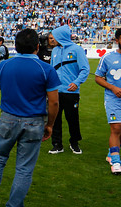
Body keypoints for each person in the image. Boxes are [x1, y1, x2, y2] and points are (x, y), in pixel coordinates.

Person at [0, 29, 60, 207]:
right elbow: (53, 102)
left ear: (16, 46)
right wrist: (50, 124)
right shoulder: (46, 69)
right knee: (24, 167)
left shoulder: (4, 66)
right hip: (35, 121)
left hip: (8, 118)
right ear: (38, 47)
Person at [48, 24, 90, 155]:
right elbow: (51, 70)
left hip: (71, 92)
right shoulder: (55, 51)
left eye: (55, 36)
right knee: (55, 118)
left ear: (61, 36)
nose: (52, 39)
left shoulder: (77, 49)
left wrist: (77, 83)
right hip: (55, 91)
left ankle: (74, 142)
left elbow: (85, 69)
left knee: (72, 118)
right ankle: (57, 144)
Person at [94, 28, 121, 174]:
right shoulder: (108, 58)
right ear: (117, 40)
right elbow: (98, 77)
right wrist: (113, 88)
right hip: (113, 98)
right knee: (116, 128)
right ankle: (116, 162)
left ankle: (112, 153)